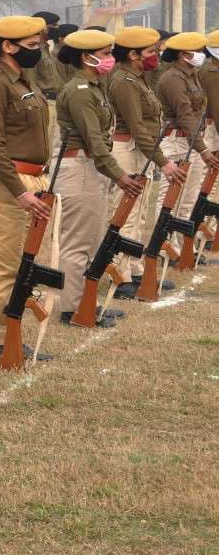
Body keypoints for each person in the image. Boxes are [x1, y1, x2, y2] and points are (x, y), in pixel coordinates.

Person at [0, 15, 57, 367]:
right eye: (33, 46)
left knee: (27, 264)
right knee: (3, 265)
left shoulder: (24, 80)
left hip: (32, 180)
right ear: (8, 45)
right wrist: (20, 192)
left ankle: (13, 335)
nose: (38, 52)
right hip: (9, 183)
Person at [53, 29, 143, 328]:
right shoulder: (79, 91)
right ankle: (73, 309)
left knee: (91, 241)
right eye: (105, 54)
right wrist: (120, 176)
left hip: (90, 168)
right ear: (86, 57)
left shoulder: (94, 86)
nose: (110, 59)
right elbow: (94, 140)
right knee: (77, 243)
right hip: (79, 168)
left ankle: (85, 304)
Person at [107, 26, 183, 299]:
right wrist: (164, 162)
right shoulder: (124, 82)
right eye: (151, 51)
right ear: (133, 54)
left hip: (141, 150)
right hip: (128, 148)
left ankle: (135, 269)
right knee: (125, 211)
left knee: (138, 212)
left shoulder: (137, 78)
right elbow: (138, 128)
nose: (156, 55)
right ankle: (121, 274)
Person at [156, 31, 219, 224]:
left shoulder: (190, 76)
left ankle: (179, 248)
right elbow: (185, 116)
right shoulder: (173, 78)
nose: (202, 54)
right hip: (178, 142)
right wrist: (204, 150)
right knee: (170, 201)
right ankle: (161, 247)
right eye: (197, 51)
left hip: (191, 141)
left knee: (187, 202)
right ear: (184, 55)